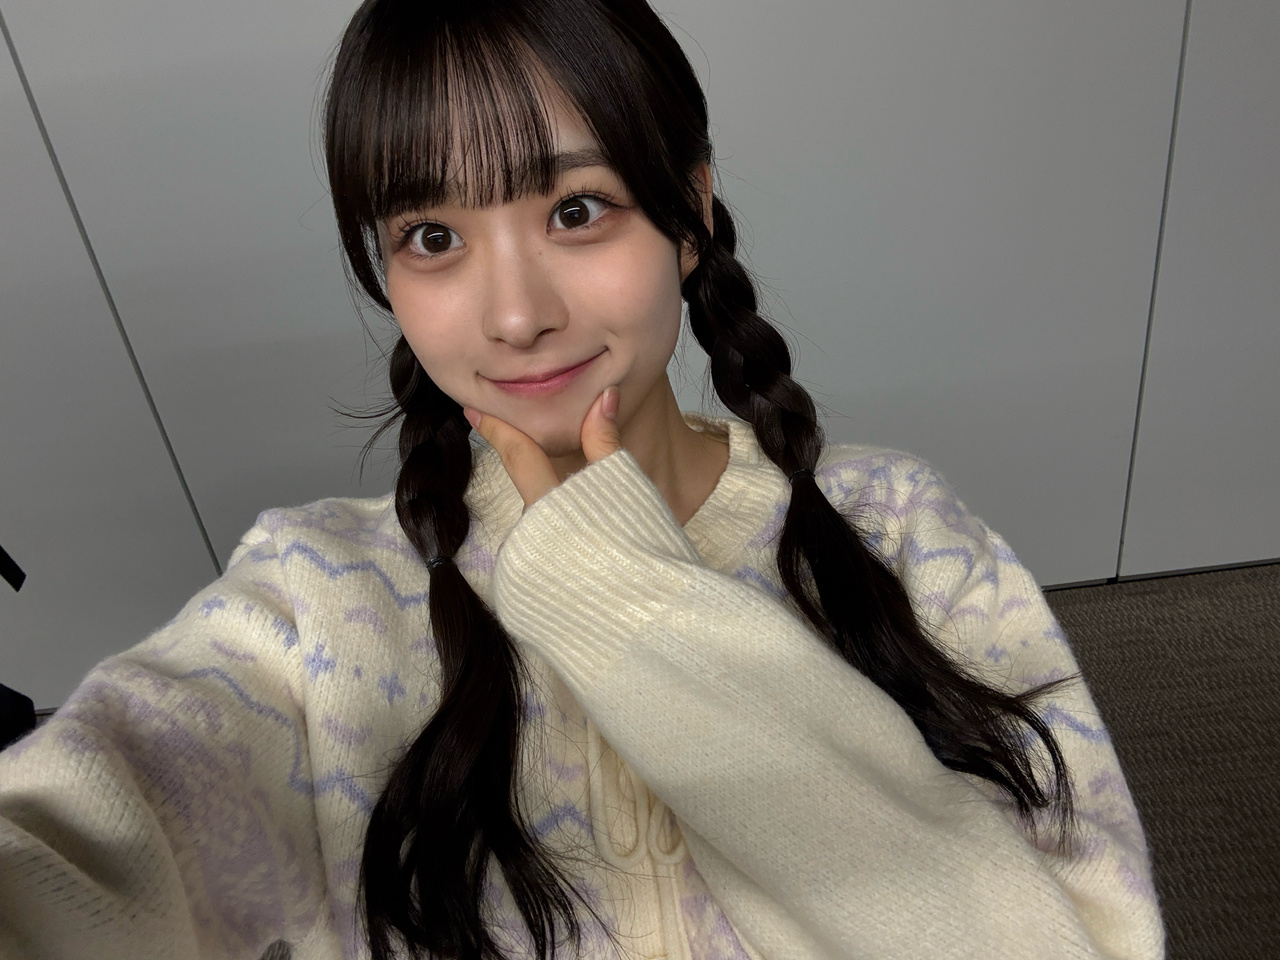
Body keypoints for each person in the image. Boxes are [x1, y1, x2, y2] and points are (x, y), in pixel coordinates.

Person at [0, 0, 1166, 958]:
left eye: (575, 210)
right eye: (432, 238)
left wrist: (623, 598)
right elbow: (79, 840)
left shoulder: (898, 529)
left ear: (689, 215)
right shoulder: (310, 596)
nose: (514, 316)